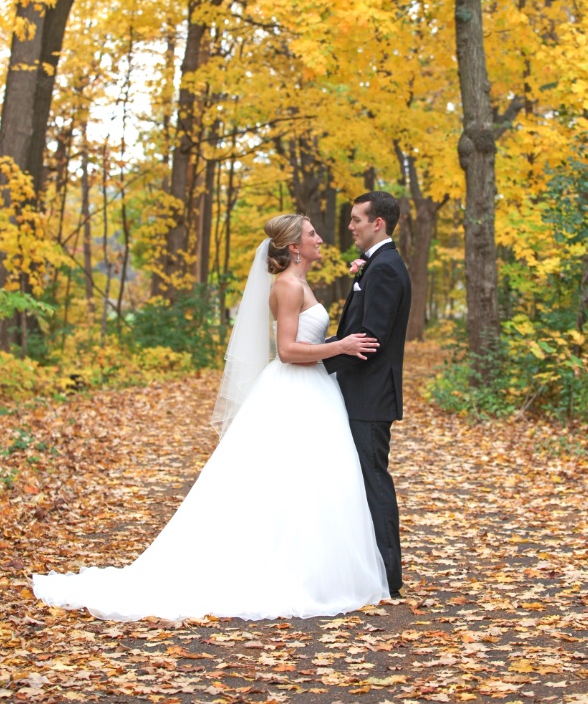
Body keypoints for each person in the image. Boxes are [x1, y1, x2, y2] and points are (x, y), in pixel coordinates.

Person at [32, 214, 390, 621]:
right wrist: (340, 347)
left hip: (314, 389)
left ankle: (314, 571)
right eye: (312, 234)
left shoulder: (300, 283)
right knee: (292, 480)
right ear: (294, 247)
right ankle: (290, 573)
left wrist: (335, 346)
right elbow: (288, 350)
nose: (320, 239)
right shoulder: (288, 286)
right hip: (296, 389)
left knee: (307, 483)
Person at [323, 192, 412, 599]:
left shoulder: (386, 268)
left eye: (356, 219)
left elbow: (370, 340)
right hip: (362, 393)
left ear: (378, 223)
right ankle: (371, 570)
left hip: (369, 396)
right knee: (363, 481)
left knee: (374, 481)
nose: (350, 226)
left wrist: (317, 361)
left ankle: (388, 577)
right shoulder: (377, 264)